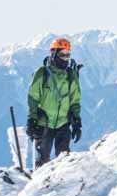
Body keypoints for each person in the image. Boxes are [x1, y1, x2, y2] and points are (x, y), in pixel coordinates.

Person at [26, 37, 82, 167]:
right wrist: (32, 119)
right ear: (54, 54)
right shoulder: (42, 73)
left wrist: (77, 122)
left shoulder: (71, 75)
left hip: (63, 123)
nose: (65, 58)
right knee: (42, 162)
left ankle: (64, 185)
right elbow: (33, 98)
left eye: (68, 55)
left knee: (64, 162)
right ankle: (39, 185)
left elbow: (75, 100)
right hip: (43, 124)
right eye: (62, 55)